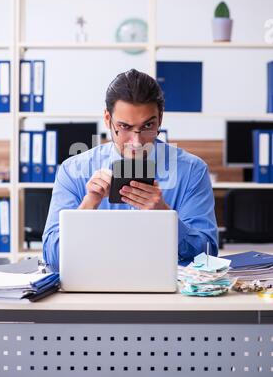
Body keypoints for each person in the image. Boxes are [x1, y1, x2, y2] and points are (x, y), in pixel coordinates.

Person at [43, 69, 218, 272]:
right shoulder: (72, 170)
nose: (136, 142)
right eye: (124, 127)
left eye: (148, 126)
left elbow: (207, 256)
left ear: (160, 119)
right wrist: (88, 205)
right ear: (108, 119)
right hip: (94, 289)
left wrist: (165, 216)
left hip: (167, 297)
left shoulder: (192, 171)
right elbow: (52, 258)